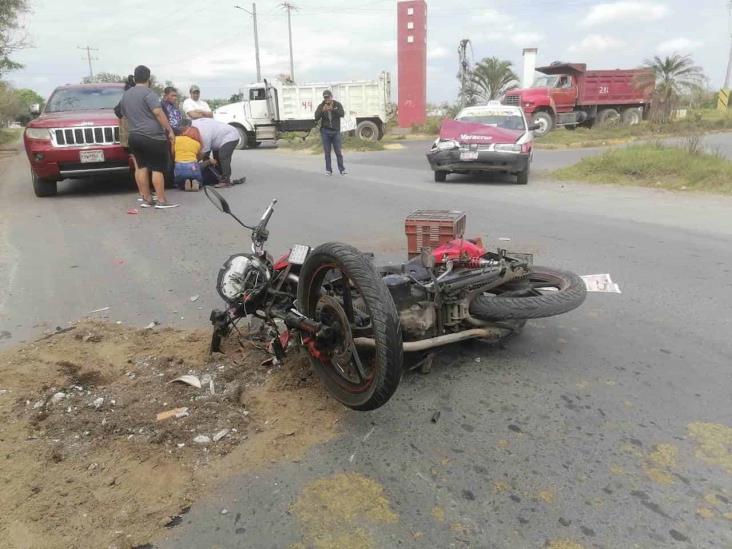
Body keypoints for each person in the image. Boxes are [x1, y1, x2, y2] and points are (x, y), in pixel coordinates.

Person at [119, 64, 178, 209]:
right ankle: (162, 201)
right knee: (157, 168)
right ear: (148, 78)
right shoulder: (149, 93)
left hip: (134, 136)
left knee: (141, 167)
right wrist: (169, 130)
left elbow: (123, 114)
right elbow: (158, 112)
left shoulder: (125, 95)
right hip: (153, 137)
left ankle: (146, 199)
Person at [192, 118, 246, 188]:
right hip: (218, 138)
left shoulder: (203, 132)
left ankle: (226, 181)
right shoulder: (194, 125)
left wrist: (193, 164)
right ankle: (218, 177)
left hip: (230, 135)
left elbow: (205, 152)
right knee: (214, 160)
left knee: (223, 156)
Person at [314, 90, 346, 175]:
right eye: (325, 97)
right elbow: (316, 117)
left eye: (328, 97)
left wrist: (333, 109)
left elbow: (342, 114)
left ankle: (342, 169)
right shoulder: (321, 106)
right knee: (327, 152)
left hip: (336, 131)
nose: (326, 99)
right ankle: (328, 170)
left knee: (338, 151)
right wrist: (322, 111)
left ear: (331, 97)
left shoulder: (337, 104)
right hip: (325, 131)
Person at [174, 119, 203, 191]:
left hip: (179, 165)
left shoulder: (176, 139)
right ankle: (196, 181)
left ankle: (184, 182)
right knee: (198, 177)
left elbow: (172, 152)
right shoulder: (197, 143)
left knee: (179, 182)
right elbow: (199, 156)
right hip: (192, 165)